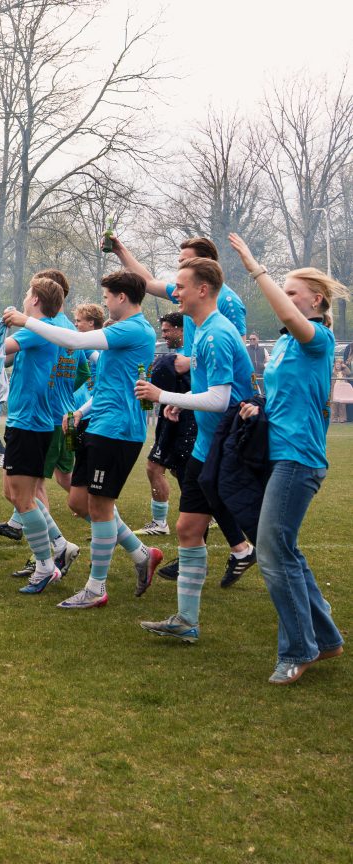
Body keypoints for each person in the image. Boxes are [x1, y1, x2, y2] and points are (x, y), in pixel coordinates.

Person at [4, 271, 163, 608]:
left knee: (101, 507)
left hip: (118, 429)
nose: (103, 302)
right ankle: (141, 553)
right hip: (98, 424)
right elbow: (106, 383)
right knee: (78, 502)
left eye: (107, 296)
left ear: (121, 297)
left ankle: (96, 588)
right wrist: (82, 412)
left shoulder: (134, 329)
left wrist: (25, 321)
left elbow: (73, 341)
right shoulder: (122, 331)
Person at [229, 234, 347, 684]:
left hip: (300, 459)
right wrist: (256, 406)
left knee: (274, 551)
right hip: (278, 455)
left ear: (315, 300)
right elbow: (281, 396)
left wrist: (256, 268)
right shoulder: (283, 346)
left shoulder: (318, 338)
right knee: (285, 550)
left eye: (294, 291)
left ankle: (300, 649)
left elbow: (287, 314)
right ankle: (327, 639)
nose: (288, 297)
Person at [136, 257, 255, 644]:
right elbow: (210, 389)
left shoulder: (218, 334)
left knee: (266, 535)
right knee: (188, 528)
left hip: (229, 448)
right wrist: (183, 399)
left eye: (182, 286)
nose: (176, 292)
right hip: (207, 446)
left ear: (203, 289)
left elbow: (222, 399)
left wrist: (163, 394)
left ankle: (307, 601)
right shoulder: (201, 330)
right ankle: (187, 621)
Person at [0, 277, 78, 592]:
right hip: (27, 422)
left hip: (32, 423)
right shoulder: (40, 331)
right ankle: (60, 546)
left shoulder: (38, 330)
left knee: (24, 498)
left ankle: (45, 565)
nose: (24, 298)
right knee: (14, 494)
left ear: (36, 300)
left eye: (27, 293)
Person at [110, 235, 246, 370]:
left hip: (221, 387)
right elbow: (149, 282)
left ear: (207, 261)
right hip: (199, 381)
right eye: (180, 262)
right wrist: (120, 250)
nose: (181, 268)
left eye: (185, 261)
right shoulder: (187, 294)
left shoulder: (228, 301)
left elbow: (238, 352)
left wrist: (191, 361)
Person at [136, 312, 195, 537]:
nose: (165, 335)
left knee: (158, 467)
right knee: (174, 469)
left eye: (168, 330)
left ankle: (161, 521)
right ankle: (207, 513)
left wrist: (164, 363)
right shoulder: (180, 355)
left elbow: (171, 368)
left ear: (182, 329)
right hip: (170, 418)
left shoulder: (187, 356)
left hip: (183, 422)